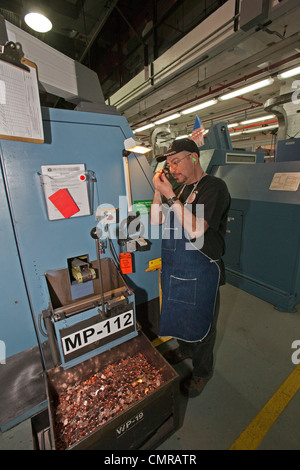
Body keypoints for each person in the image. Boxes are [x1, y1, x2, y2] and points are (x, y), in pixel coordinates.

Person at [150, 138, 231, 398]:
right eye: (169, 165)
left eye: (176, 162)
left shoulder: (214, 187)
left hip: (202, 268)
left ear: (194, 158)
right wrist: (158, 191)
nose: (172, 169)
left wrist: (172, 196)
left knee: (204, 325)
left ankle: (201, 372)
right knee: (179, 314)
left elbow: (196, 229)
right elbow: (155, 219)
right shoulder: (178, 188)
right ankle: (185, 349)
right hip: (177, 266)